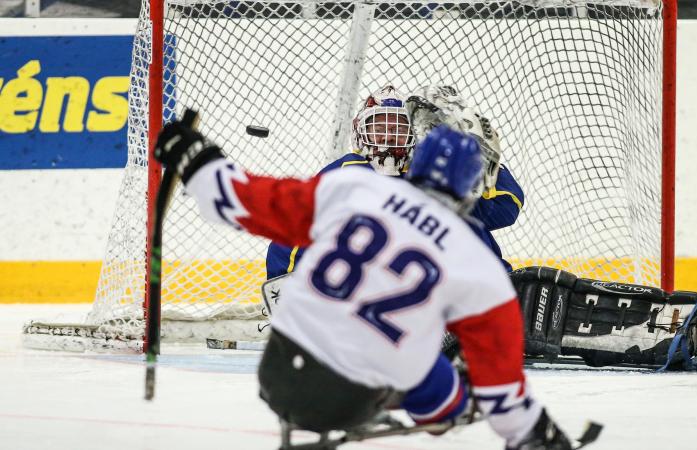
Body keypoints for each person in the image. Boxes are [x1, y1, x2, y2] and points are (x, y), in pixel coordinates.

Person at [154, 117, 578, 450]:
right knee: (441, 374)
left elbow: (245, 201)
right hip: (351, 400)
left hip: (276, 373)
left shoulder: (354, 188)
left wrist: (197, 159)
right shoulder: (476, 264)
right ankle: (444, 411)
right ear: (472, 188)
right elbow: (503, 388)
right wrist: (532, 432)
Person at [265, 84, 525, 280]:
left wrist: (483, 164)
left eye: (398, 128)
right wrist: (283, 282)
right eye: (379, 127)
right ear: (360, 132)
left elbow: (504, 209)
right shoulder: (347, 172)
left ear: (414, 134)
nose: (389, 135)